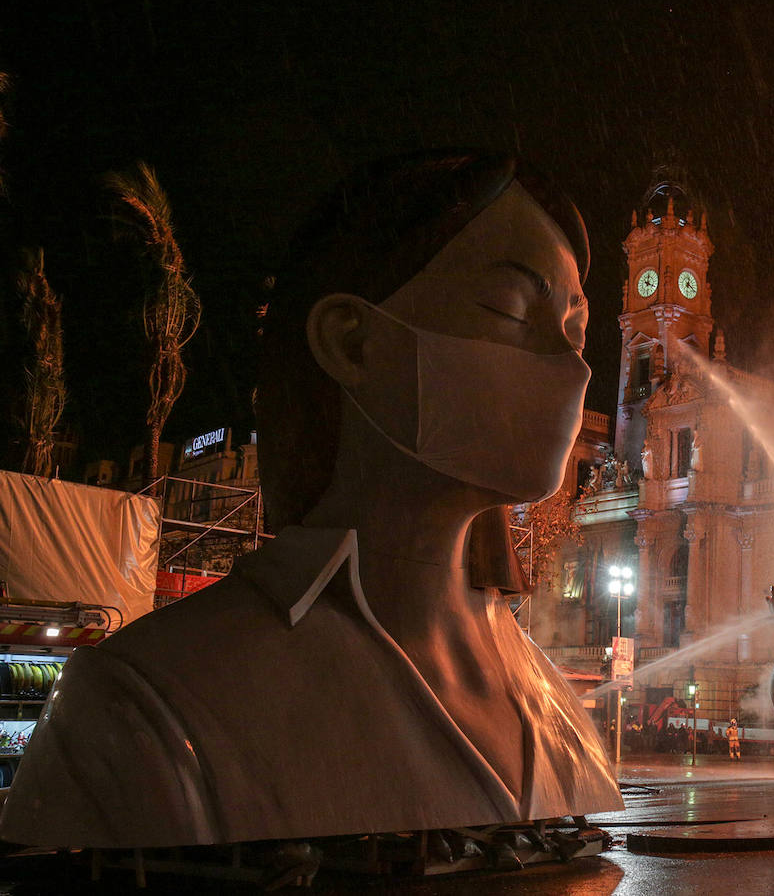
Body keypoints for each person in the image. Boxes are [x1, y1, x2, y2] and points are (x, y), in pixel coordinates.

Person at [0, 150, 623, 848]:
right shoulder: (143, 710)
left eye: (575, 329)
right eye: (511, 309)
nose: (571, 366)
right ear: (351, 343)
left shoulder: (557, 706)